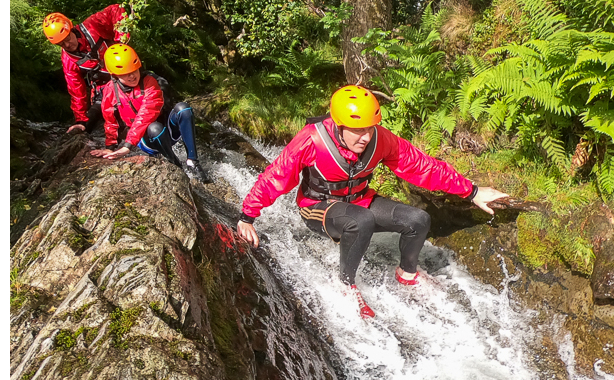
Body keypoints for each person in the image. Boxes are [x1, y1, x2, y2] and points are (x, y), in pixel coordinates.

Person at [236, 85, 507, 319]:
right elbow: (277, 176)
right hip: (318, 208)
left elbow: (422, 167)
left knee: (418, 220)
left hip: (359, 200)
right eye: (357, 130)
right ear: (339, 125)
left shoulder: (380, 139)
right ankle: (346, 285)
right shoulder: (311, 139)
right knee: (360, 221)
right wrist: (247, 216)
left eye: (369, 128)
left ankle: (407, 274)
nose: (365, 137)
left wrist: (471, 191)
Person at [89, 43, 211, 183]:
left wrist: (127, 145)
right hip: (147, 139)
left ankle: (192, 161)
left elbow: (147, 112)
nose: (132, 76)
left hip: (167, 131)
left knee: (183, 108)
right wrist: (110, 147)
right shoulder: (110, 91)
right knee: (154, 128)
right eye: (125, 74)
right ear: (115, 76)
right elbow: (111, 121)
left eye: (134, 70)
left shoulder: (150, 81)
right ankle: (176, 166)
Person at [42, 5, 128, 135]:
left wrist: (121, 43)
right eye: (61, 44)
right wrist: (80, 120)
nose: (67, 45)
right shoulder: (68, 59)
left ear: (71, 30)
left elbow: (116, 9)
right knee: (94, 118)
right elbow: (76, 90)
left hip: (126, 73)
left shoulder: (92, 25)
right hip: (104, 87)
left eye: (67, 39)